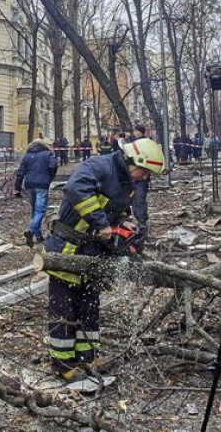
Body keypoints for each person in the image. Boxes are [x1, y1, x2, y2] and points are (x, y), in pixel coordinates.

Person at [44, 137, 166, 383]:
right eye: (144, 172)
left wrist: (122, 222)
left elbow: (116, 209)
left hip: (92, 253)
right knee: (65, 309)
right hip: (67, 249)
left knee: (89, 308)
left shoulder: (125, 182)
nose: (144, 178)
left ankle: (88, 356)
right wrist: (101, 224)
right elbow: (75, 189)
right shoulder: (100, 167)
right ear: (134, 161)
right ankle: (62, 364)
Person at [14, 138, 58, 247]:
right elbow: (53, 166)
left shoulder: (27, 155)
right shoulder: (49, 154)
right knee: (40, 210)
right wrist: (49, 178)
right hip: (42, 184)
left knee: (35, 209)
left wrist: (17, 187)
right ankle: (31, 230)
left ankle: (38, 236)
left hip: (28, 184)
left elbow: (20, 172)